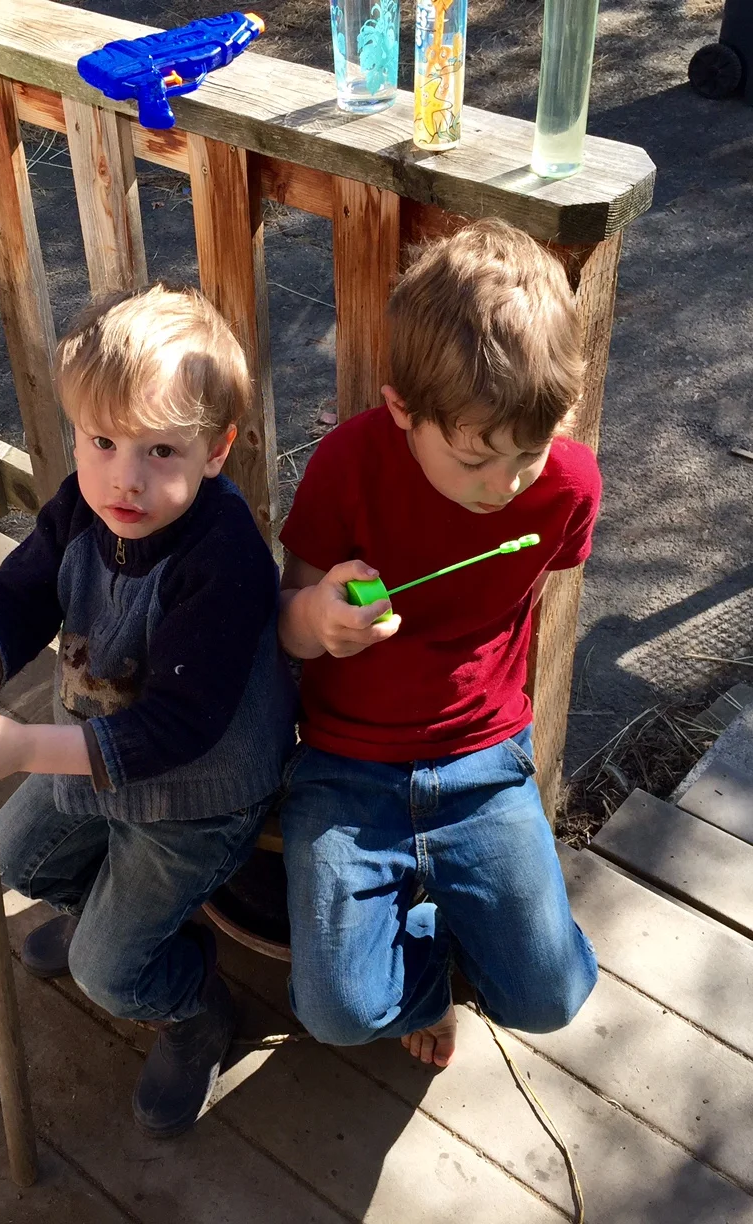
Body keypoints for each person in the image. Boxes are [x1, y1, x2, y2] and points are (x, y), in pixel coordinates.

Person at [0, 281, 295, 1135]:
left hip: (195, 798)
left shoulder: (224, 556)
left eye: (161, 450)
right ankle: (114, 928)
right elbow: (23, 590)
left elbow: (177, 729)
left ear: (216, 450)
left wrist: (22, 748)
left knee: (109, 976)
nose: (125, 477)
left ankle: (191, 1004)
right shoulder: (83, 509)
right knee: (12, 860)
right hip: (94, 753)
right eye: (103, 441)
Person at [276, 218, 601, 1069]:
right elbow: (286, 622)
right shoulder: (348, 465)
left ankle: (448, 921)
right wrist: (318, 620)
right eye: (473, 460)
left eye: (528, 454)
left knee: (552, 995)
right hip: (346, 765)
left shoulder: (567, 485)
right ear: (402, 411)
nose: (504, 486)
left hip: (484, 759)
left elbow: (528, 595)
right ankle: (427, 980)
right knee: (340, 1012)